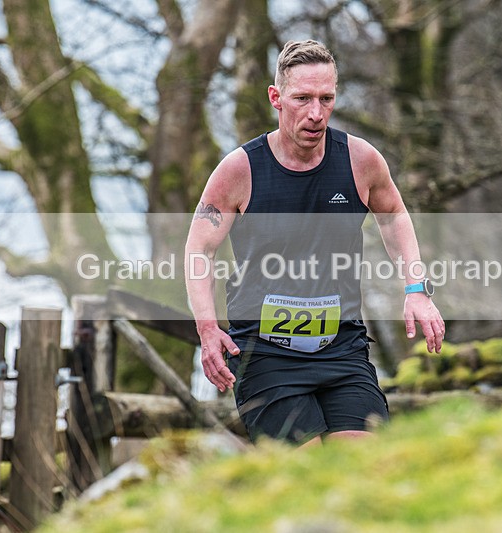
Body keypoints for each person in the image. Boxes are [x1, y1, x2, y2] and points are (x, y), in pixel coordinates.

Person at [185, 39, 444, 445]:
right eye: (302, 98)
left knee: (364, 464)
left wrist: (416, 290)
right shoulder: (240, 170)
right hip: (265, 352)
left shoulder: (360, 161)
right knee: (306, 469)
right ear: (276, 97)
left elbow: (394, 217)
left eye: (326, 99)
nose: (315, 113)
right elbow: (199, 249)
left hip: (342, 346)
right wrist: (207, 327)